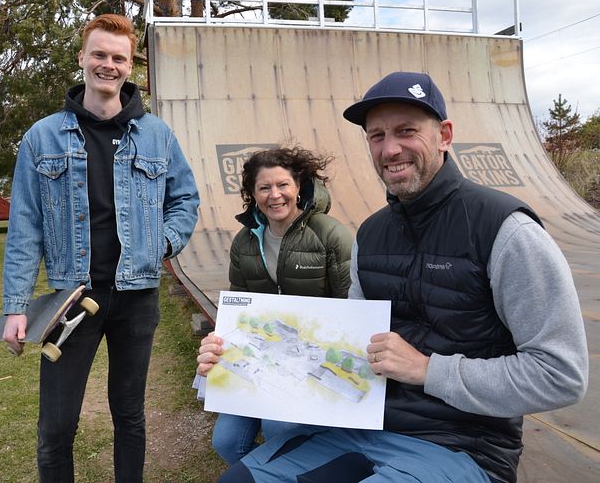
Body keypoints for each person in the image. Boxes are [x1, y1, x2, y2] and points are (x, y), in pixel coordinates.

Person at [198, 71, 588, 483]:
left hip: (463, 444)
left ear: (444, 135)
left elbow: (560, 374)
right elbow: (346, 351)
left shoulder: (506, 231)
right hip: (360, 424)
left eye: (406, 131)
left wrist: (427, 369)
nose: (390, 148)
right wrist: (239, 355)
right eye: (377, 135)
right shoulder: (371, 233)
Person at [0, 14, 199, 483]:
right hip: (72, 301)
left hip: (137, 298)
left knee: (129, 415)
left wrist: (161, 244)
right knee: (56, 425)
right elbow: (25, 226)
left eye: (118, 57)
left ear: (130, 67)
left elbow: (185, 199)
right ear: (83, 59)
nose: (108, 64)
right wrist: (15, 306)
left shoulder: (157, 135)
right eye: (99, 54)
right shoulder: (43, 137)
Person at [198, 147, 353, 464]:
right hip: (262, 355)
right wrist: (219, 344)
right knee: (226, 442)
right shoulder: (245, 241)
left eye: (283, 185)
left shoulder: (330, 235)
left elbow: (351, 305)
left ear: (298, 187)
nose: (275, 195)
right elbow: (238, 307)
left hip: (311, 361)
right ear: (252, 194)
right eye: (264, 187)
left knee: (278, 427)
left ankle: (290, 469)